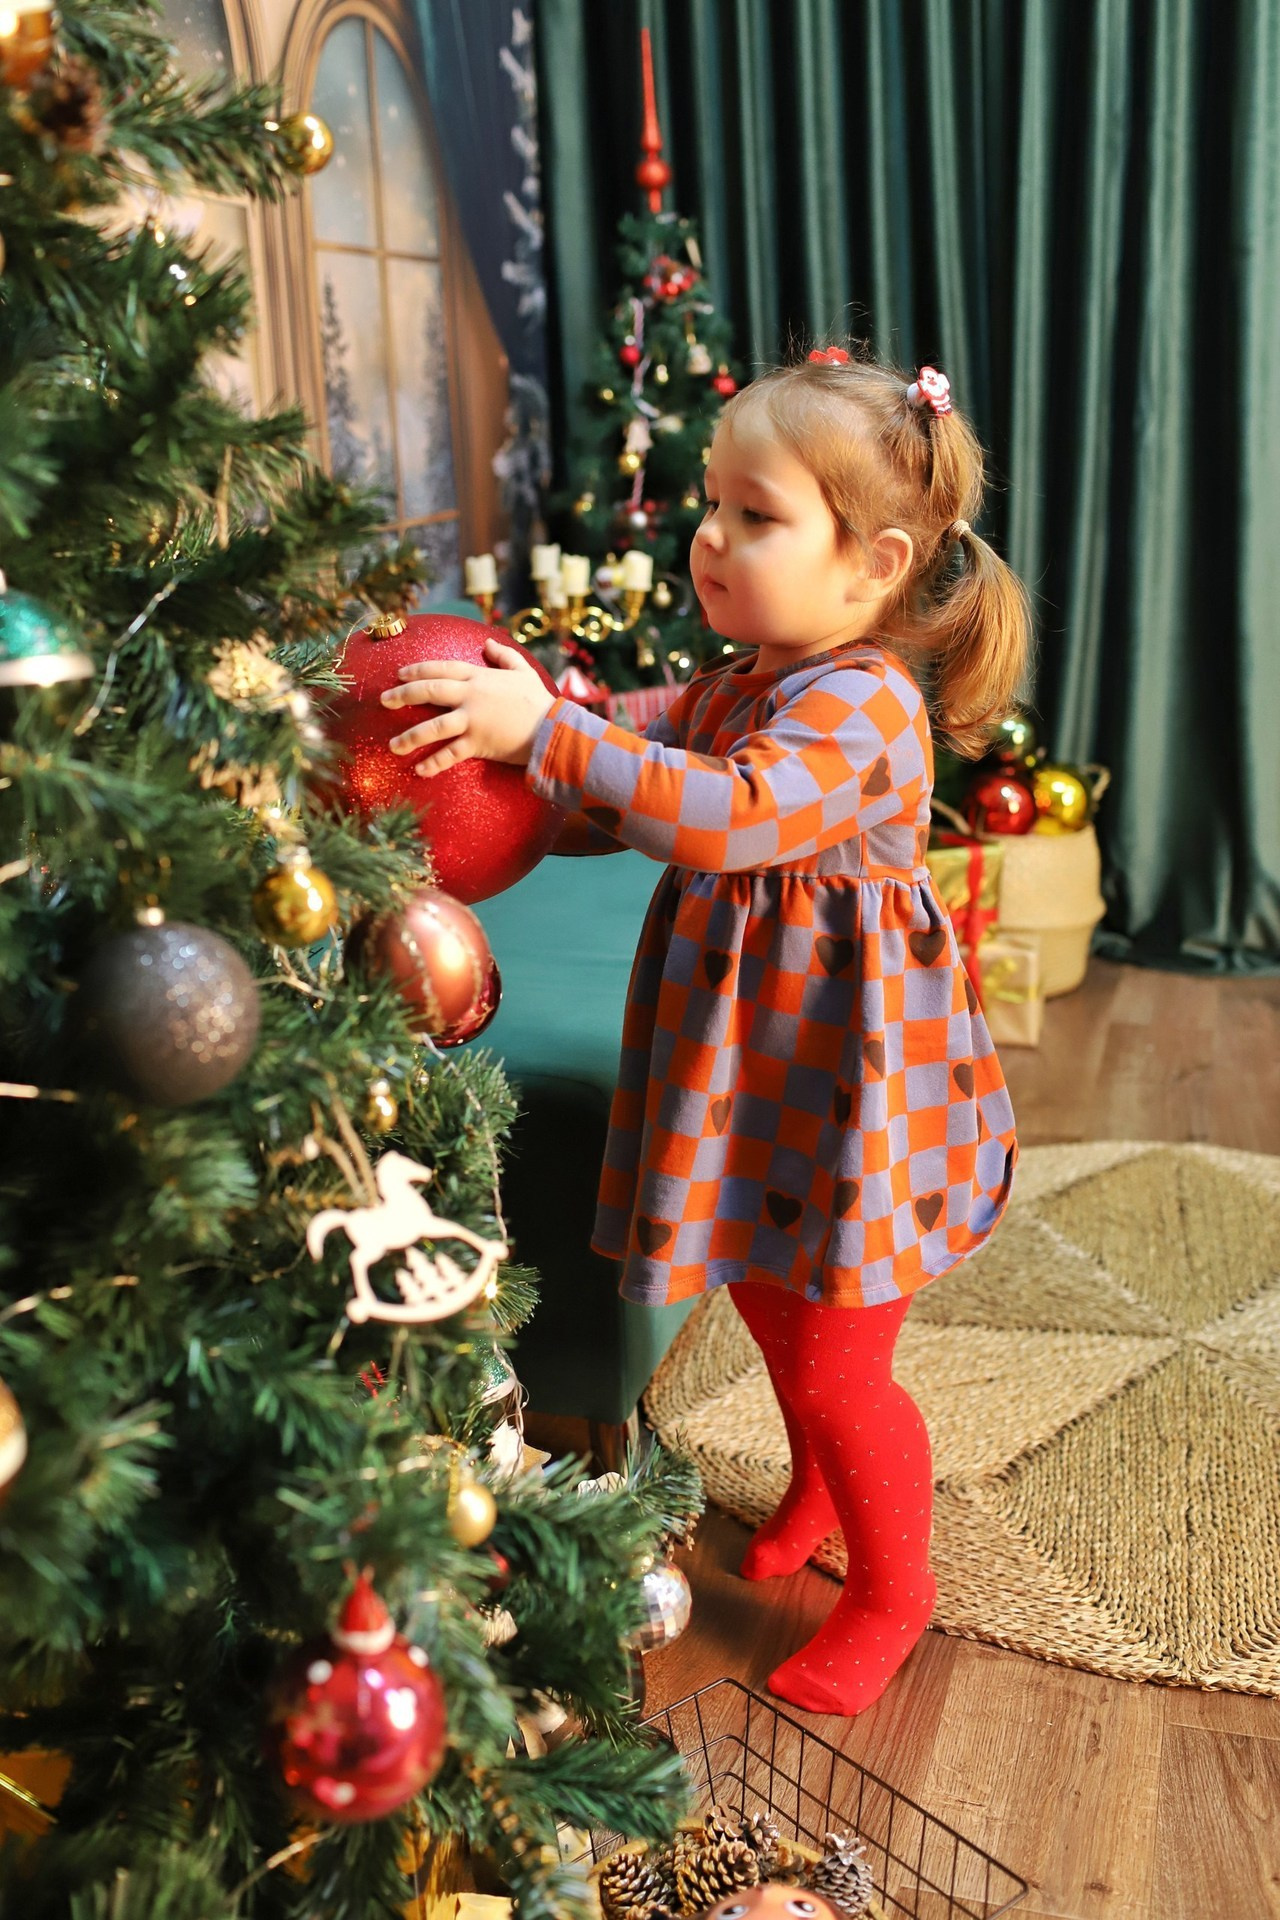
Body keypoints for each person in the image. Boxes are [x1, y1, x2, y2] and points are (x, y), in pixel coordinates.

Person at [380, 347, 1031, 1716]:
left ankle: (893, 1588)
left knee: (842, 1359)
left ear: (875, 566)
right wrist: (535, 733)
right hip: (761, 1073)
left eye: (757, 514)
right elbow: (649, 733)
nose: (710, 537)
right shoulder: (755, 675)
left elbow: (722, 813)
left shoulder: (864, 705)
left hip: (856, 1084)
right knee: (763, 1292)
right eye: (713, 505)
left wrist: (548, 736)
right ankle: (808, 1490)